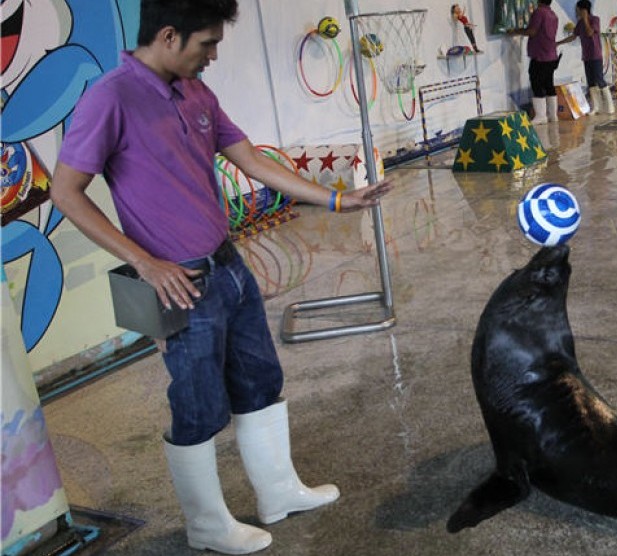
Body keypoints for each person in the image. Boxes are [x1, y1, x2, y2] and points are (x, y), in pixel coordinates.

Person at [50, 1, 391, 554]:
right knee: (199, 404)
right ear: (168, 35)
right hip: (178, 284)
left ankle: (278, 492)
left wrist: (336, 199)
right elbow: (65, 193)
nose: (213, 55)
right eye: (206, 44)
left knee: (260, 380)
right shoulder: (111, 98)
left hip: (229, 267)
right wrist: (145, 261)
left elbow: (252, 161)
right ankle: (207, 524)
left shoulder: (195, 91)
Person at [508, 0, 560, 125]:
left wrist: (515, 31)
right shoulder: (553, 14)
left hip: (540, 55)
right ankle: (553, 115)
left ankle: (541, 116)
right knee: (549, 84)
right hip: (551, 55)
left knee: (536, 83)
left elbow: (532, 31)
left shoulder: (539, 12)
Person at [558, 0, 615, 114]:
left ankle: (610, 106)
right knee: (591, 83)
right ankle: (596, 107)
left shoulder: (595, 20)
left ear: (584, 10)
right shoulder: (579, 23)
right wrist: (558, 43)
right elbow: (573, 37)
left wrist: (585, 19)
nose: (576, 11)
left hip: (595, 55)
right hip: (586, 56)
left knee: (599, 79)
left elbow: (589, 32)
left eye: (578, 9)